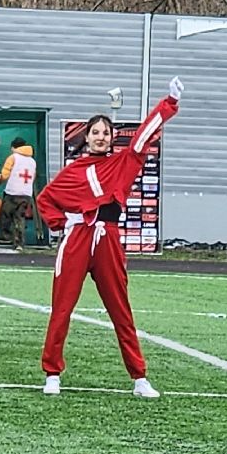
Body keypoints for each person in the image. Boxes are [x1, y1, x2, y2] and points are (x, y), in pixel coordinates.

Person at [35, 78, 182, 397]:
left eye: (106, 132)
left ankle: (139, 377)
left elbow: (143, 137)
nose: (101, 137)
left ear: (112, 137)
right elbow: (46, 198)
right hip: (77, 239)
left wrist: (168, 102)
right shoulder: (72, 171)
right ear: (86, 137)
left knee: (120, 309)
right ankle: (52, 373)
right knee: (62, 307)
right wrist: (62, 222)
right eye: (95, 132)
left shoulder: (122, 163)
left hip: (109, 239)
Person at [0, 137, 37, 250]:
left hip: (12, 192)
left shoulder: (13, 157)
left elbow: (5, 174)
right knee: (20, 218)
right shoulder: (32, 161)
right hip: (26, 193)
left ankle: (6, 236)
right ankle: (19, 243)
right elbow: (33, 177)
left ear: (14, 147)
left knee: (5, 215)